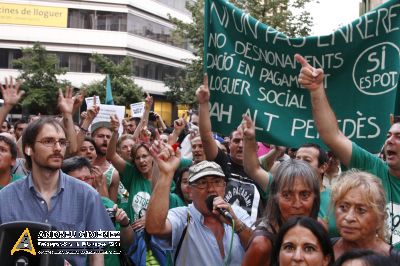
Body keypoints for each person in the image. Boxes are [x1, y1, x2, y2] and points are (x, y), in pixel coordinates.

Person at [296, 53, 400, 248]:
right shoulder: (373, 167)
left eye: (398, 137)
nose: (390, 141)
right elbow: (332, 135)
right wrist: (316, 89)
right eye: (388, 136)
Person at [0, 116, 114, 265]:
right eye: (48, 141)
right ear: (28, 148)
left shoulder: (87, 195)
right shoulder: (5, 198)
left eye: (62, 142)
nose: (58, 148)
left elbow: (96, 255)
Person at [146, 149, 253, 266]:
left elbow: (259, 247)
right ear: (190, 191)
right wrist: (166, 174)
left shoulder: (237, 213)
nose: (211, 189)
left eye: (217, 182)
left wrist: (236, 224)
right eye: (202, 183)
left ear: (224, 187)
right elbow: (154, 228)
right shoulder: (182, 217)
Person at [197, 75, 268, 223]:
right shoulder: (222, 162)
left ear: (254, 146)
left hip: (250, 236)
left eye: (245, 140)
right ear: (229, 145)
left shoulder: (259, 171)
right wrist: (203, 104)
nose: (241, 145)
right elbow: (205, 136)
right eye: (236, 141)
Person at [242, 159, 321, 266]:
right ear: (275, 197)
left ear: (315, 197)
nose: (297, 204)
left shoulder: (319, 227)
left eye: (304, 195)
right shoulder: (262, 245)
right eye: (287, 195)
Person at [331, 170, 400, 262]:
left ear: (380, 218)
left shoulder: (394, 260)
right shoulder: (324, 249)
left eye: (361, 210)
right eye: (343, 207)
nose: (349, 217)